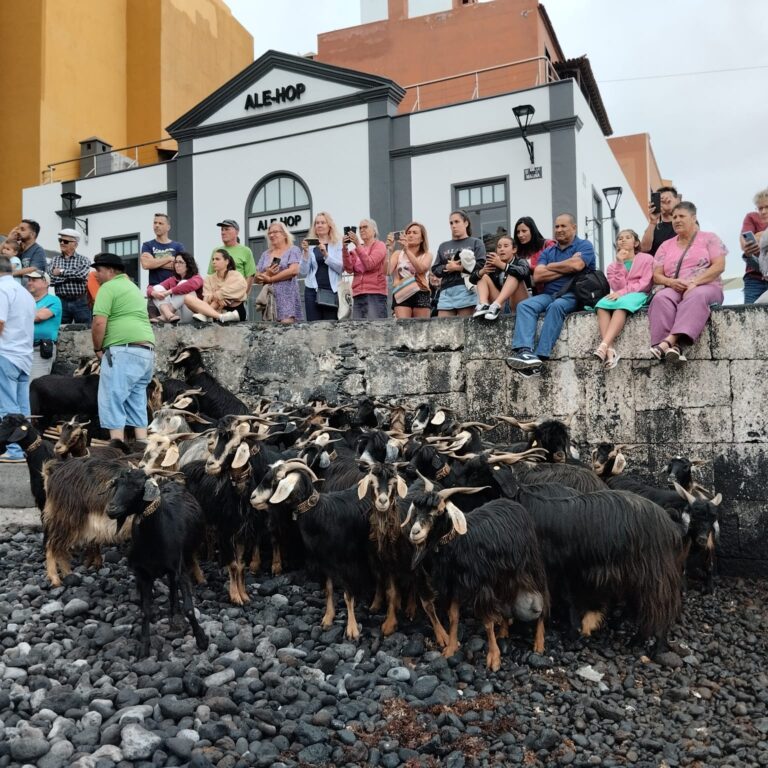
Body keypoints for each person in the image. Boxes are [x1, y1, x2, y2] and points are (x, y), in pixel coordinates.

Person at [507, 214, 595, 376]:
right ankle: (525, 352)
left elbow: (577, 265)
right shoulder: (548, 251)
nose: (559, 230)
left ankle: (540, 357)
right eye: (556, 227)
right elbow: (539, 275)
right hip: (548, 293)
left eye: (563, 226)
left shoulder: (584, 246)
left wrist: (552, 267)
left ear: (574, 228)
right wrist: (566, 267)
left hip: (573, 294)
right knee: (525, 305)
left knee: (556, 307)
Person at [648, 201, 725, 364]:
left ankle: (669, 341)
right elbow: (657, 276)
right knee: (661, 298)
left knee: (696, 295)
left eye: (681, 216)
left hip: (707, 286)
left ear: (693, 218)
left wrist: (695, 282)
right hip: (675, 287)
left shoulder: (710, 238)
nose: (676, 220)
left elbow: (719, 266)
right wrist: (670, 282)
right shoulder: (665, 245)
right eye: (674, 217)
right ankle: (673, 349)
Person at [91, 253, 155, 441]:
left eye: (99, 270)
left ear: (111, 271)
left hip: (123, 350)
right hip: (146, 350)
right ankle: (142, 443)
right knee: (137, 399)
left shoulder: (108, 287)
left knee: (112, 398)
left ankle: (116, 447)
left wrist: (97, 349)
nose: (96, 275)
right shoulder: (132, 287)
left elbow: (99, 323)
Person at [591, 230, 654, 370]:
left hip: (639, 293)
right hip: (619, 295)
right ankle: (610, 350)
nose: (623, 240)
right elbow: (616, 286)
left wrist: (623, 293)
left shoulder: (647, 259)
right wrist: (619, 263)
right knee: (601, 304)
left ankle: (604, 345)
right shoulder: (612, 266)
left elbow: (646, 283)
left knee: (622, 305)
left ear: (636, 242)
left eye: (627, 237)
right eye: (620, 238)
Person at [0, 255, 37, 462]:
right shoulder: (24, 293)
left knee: (6, 406)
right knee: (23, 407)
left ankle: (13, 450)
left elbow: (0, 322)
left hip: (5, 352)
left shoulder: (2, 290)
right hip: (23, 354)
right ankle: (27, 448)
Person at [432, 210, 486, 317]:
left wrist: (459, 268)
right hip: (446, 290)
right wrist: (447, 266)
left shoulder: (476, 242)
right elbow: (435, 269)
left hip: (467, 287)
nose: (453, 226)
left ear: (466, 223)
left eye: (457, 222)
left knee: (465, 328)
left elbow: (481, 265)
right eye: (451, 223)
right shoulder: (443, 246)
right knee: (443, 329)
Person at [472, 235, 531, 321]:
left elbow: (524, 272)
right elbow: (472, 279)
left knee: (514, 274)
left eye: (506, 246)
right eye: (499, 247)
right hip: (503, 304)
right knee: (482, 276)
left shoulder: (521, 261)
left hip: (521, 303)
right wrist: (483, 271)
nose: (501, 249)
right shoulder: (494, 265)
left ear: (514, 249)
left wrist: (503, 265)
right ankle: (484, 305)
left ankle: (496, 305)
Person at [254, 222, 302, 324]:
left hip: (287, 298)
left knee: (286, 328)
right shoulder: (265, 254)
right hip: (270, 299)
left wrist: (271, 279)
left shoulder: (293, 250)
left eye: (275, 232)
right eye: (269, 233)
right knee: (269, 329)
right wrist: (267, 273)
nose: (271, 235)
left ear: (284, 234)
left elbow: (294, 270)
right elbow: (256, 278)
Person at [299, 212, 344, 321]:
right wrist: (305, 252)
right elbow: (303, 271)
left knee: (331, 327)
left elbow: (341, 268)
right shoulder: (310, 245)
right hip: (312, 291)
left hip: (331, 291)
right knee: (313, 327)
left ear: (329, 226)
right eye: (317, 223)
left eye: (323, 222)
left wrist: (325, 254)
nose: (319, 225)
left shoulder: (337, 243)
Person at [342, 218, 387, 320]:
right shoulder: (355, 250)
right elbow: (348, 269)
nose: (361, 230)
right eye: (360, 228)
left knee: (376, 329)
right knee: (359, 330)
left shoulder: (380, 245)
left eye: (365, 227)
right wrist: (344, 248)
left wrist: (357, 245)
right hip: (358, 294)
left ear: (374, 230)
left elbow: (370, 264)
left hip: (375, 293)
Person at [140, 214, 185, 315]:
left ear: (168, 227)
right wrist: (169, 259)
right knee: (154, 327)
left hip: (173, 292)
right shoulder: (148, 245)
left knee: (175, 325)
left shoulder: (178, 246)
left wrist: (154, 261)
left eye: (160, 223)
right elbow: (146, 264)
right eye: (155, 223)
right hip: (154, 292)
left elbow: (181, 266)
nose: (157, 225)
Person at [387, 222, 432, 320]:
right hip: (401, 292)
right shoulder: (397, 254)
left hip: (421, 292)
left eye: (415, 233)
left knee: (421, 329)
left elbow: (421, 269)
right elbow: (387, 271)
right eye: (408, 232)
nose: (411, 235)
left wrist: (407, 250)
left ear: (422, 238)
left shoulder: (427, 255)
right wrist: (389, 250)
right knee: (404, 327)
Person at [190, 249, 248, 324]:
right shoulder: (208, 279)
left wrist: (219, 295)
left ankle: (204, 315)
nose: (214, 262)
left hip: (236, 311)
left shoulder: (235, 275)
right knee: (187, 298)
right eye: (213, 259)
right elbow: (206, 298)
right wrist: (218, 297)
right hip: (216, 313)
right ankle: (210, 315)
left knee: (220, 298)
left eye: (217, 259)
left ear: (226, 261)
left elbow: (237, 289)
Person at [146, 252, 204, 324]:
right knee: (157, 288)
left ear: (188, 265)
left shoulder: (197, 277)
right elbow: (151, 288)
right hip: (175, 316)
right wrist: (153, 293)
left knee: (182, 284)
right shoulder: (173, 279)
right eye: (175, 262)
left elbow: (188, 286)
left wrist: (169, 292)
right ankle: (167, 314)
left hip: (192, 314)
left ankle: (165, 315)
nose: (177, 265)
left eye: (180, 262)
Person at [49, 228, 91, 325]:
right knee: (60, 330)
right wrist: (73, 275)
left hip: (80, 301)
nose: (62, 243)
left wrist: (61, 271)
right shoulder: (54, 260)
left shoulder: (83, 260)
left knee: (85, 330)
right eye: (60, 240)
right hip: (61, 301)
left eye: (66, 241)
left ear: (75, 244)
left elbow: (82, 275)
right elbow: (51, 280)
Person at [27, 270, 62, 380]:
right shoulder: (25, 299)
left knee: (34, 386)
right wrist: (35, 312)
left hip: (39, 350)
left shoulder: (54, 300)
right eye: (29, 280)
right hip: (22, 349)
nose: (29, 282)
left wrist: (23, 315)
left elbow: (38, 317)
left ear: (46, 283)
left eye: (34, 280)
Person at [208, 219, 256, 297]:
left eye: (227, 229)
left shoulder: (246, 251)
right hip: (219, 297)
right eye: (222, 230)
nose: (223, 232)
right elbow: (211, 276)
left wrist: (242, 296)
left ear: (237, 232)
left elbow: (250, 276)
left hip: (237, 296)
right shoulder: (216, 251)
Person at [739, 188, 768, 304]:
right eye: (760, 208)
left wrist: (760, 235)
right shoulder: (751, 217)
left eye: (767, 207)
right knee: (749, 316)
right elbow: (744, 242)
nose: (763, 211)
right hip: (754, 277)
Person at [640, 186, 681, 256]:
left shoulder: (685, 222)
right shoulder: (654, 228)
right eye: (660, 200)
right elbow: (644, 248)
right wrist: (653, 222)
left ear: (677, 200)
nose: (665, 201)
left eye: (669, 198)